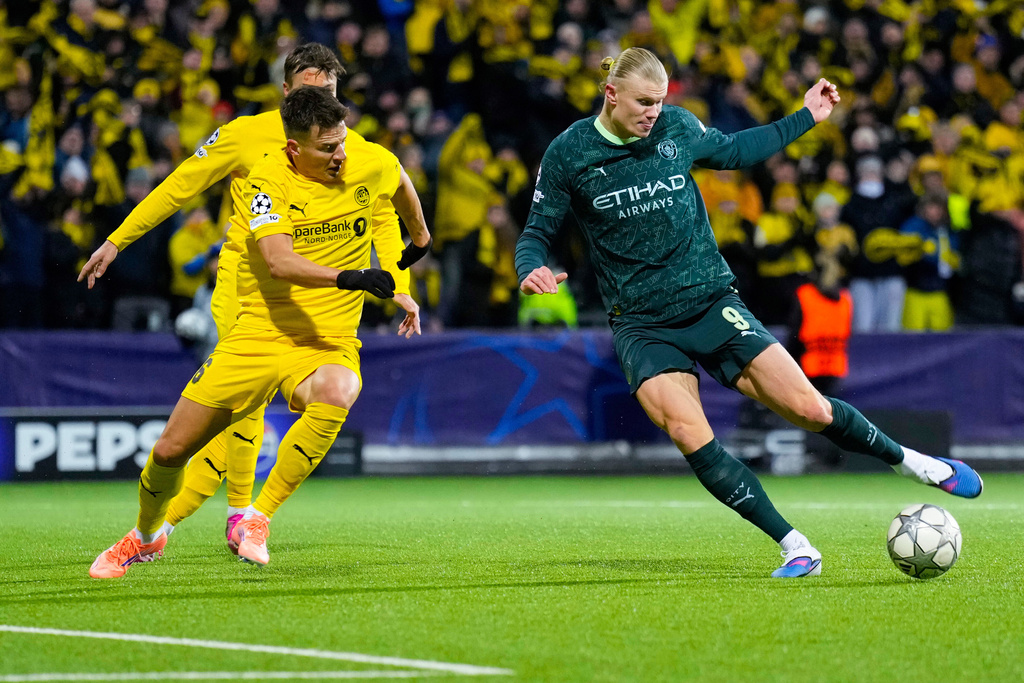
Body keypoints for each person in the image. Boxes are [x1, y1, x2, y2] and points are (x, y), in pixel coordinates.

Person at [515, 47, 983, 579]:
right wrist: (530, 269)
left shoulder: (675, 128)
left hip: (711, 302)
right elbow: (535, 235)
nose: (653, 112)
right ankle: (795, 546)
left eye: (660, 101)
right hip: (642, 324)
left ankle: (919, 465)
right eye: (644, 102)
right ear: (611, 94)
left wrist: (807, 115)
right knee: (689, 432)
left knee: (810, 410)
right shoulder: (570, 152)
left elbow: (738, 150)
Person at [79, 43, 432, 556]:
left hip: (322, 303)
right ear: (286, 91)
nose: (323, 103)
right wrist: (116, 240)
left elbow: (383, 206)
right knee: (231, 417)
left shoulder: (345, 146)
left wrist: (400, 281)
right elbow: (179, 187)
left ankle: (241, 516)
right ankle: (213, 517)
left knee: (307, 397)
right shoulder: (248, 136)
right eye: (311, 91)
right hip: (250, 291)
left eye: (330, 93)